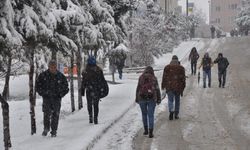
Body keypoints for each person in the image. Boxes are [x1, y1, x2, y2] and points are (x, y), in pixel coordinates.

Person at [36, 60, 69, 137]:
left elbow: (66, 88)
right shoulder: (43, 75)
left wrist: (60, 94)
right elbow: (38, 86)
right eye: (51, 66)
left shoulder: (60, 76)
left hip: (56, 99)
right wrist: (43, 93)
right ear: (49, 66)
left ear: (56, 67)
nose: (53, 68)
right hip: (47, 98)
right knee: (46, 114)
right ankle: (46, 128)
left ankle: (54, 131)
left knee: (55, 115)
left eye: (54, 66)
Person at [135, 66, 161, 138]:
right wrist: (159, 99)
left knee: (144, 114)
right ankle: (150, 132)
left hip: (142, 98)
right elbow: (157, 89)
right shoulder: (153, 78)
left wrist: (137, 98)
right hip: (151, 98)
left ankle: (145, 130)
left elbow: (138, 88)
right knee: (151, 115)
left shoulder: (141, 77)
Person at [82, 56, 107, 124]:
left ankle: (91, 116)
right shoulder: (98, 70)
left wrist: (82, 90)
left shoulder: (86, 71)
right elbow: (102, 81)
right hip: (96, 90)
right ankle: (95, 118)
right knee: (95, 105)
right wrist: (102, 89)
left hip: (90, 90)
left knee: (90, 104)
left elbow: (83, 81)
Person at [161, 55, 186, 120]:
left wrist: (163, 86)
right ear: (177, 60)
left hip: (169, 87)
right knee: (177, 101)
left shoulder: (167, 67)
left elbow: (164, 78)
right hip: (178, 87)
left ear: (171, 60)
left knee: (170, 100)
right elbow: (183, 79)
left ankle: (171, 111)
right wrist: (183, 88)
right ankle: (176, 114)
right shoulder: (181, 68)